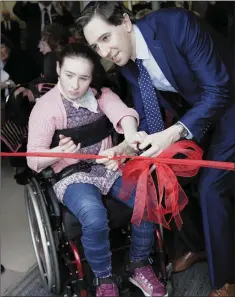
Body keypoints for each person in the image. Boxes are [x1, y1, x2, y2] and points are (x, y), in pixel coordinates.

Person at [77, 2, 235, 296]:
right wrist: (129, 144)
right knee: (159, 174)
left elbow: (219, 88)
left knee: (213, 185)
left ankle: (226, 280)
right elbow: (150, 119)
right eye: (95, 46)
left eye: (105, 38)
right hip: (200, 116)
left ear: (125, 22)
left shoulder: (176, 24)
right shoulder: (129, 69)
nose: (104, 52)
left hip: (229, 102)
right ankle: (199, 245)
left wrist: (173, 133)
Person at [27, 43, 168, 297]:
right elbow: (33, 160)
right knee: (93, 216)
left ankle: (138, 264)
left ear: (92, 77)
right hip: (72, 175)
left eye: (83, 78)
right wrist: (58, 154)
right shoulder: (45, 108)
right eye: (69, 75)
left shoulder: (100, 95)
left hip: (108, 165)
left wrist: (129, 141)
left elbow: (125, 115)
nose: (74, 85)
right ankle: (104, 280)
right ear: (58, 69)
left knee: (146, 199)